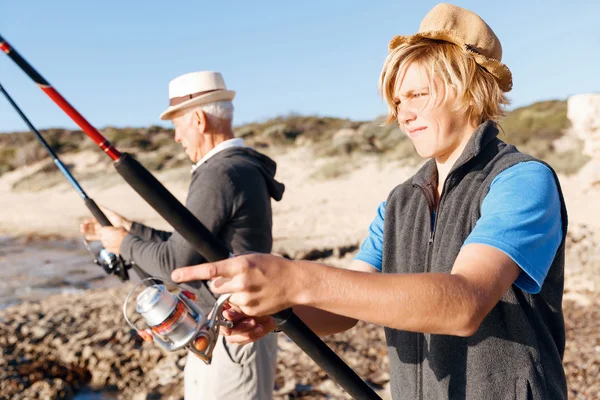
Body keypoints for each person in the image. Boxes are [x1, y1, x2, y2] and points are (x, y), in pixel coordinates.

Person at [171, 5, 568, 400]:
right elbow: (343, 309)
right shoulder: (399, 203)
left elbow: (464, 302)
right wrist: (275, 311)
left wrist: (295, 278)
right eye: (397, 102)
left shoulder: (520, 180)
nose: (403, 114)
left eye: (418, 95)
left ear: (467, 91)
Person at [81, 71, 284, 400]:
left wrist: (124, 244)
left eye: (177, 125)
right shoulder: (236, 167)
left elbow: (175, 263)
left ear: (199, 120)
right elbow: (192, 243)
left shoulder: (220, 172)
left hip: (236, 331)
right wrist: (131, 229)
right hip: (217, 330)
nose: (176, 137)